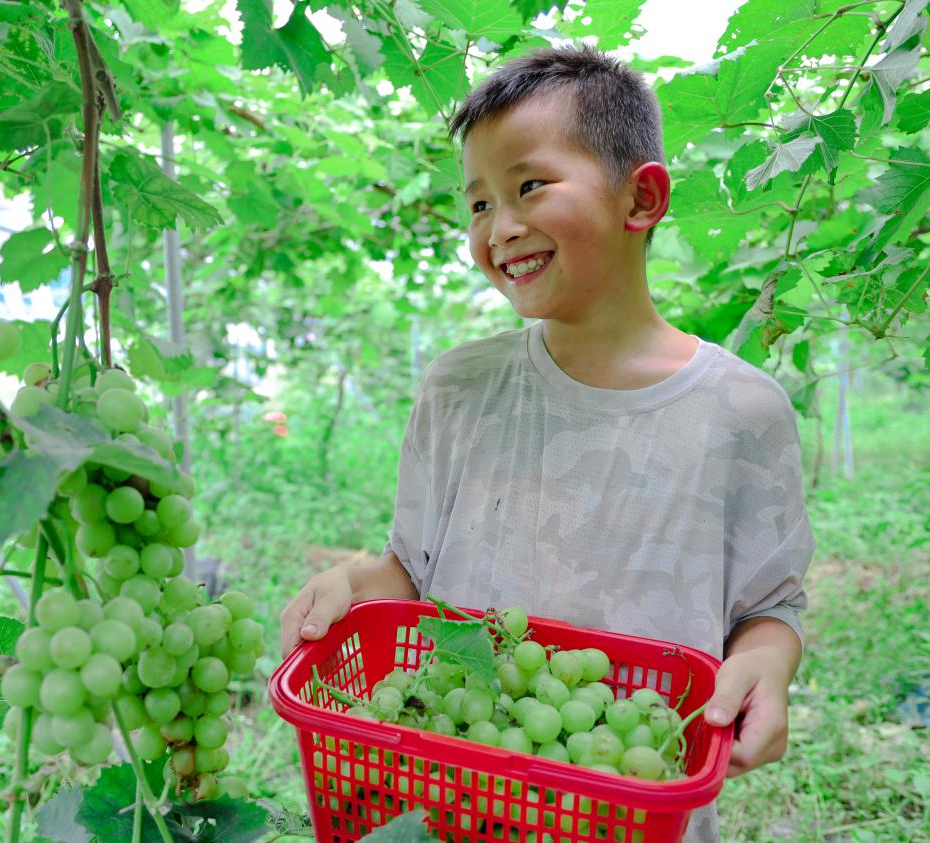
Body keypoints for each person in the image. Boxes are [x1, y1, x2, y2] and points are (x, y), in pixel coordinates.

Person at [279, 44, 813, 842]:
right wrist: (353, 581)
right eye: (478, 203)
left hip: (630, 805)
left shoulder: (741, 410)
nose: (500, 227)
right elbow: (409, 572)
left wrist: (767, 663)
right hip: (452, 797)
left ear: (641, 197)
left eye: (528, 186)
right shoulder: (458, 388)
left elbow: (769, 607)